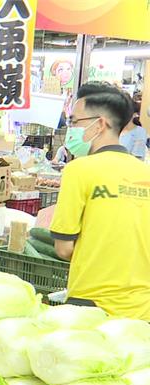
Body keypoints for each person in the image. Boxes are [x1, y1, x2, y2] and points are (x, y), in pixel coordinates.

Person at [50, 82, 150, 320]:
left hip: (91, 305)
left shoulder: (79, 170)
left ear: (100, 124)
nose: (71, 129)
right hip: (142, 307)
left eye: (75, 122)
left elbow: (64, 248)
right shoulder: (146, 173)